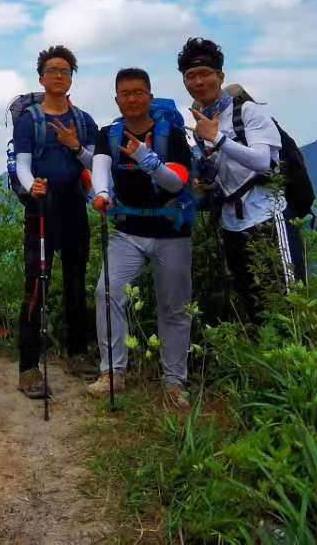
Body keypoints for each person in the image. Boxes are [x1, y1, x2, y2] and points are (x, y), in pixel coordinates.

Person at [87, 68, 195, 406]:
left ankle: (174, 381)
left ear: (149, 96)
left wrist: (145, 158)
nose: (132, 99)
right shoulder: (110, 134)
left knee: (174, 306)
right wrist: (101, 194)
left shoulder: (172, 135)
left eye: (138, 92)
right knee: (108, 294)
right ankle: (112, 373)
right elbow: (100, 170)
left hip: (172, 231)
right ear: (116, 99)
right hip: (127, 232)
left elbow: (176, 183)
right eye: (125, 93)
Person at [179, 37, 305, 324]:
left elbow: (263, 161)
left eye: (205, 74)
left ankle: (295, 366)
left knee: (290, 304)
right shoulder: (201, 125)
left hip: (269, 218)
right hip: (232, 225)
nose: (199, 82)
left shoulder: (248, 112)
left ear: (220, 77)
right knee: (252, 305)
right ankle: (265, 364)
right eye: (191, 77)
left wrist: (218, 138)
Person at [11, 45, 99, 399]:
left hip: (75, 207)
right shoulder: (29, 119)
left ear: (71, 76)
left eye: (65, 70)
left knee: (77, 282)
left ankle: (77, 352)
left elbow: (95, 163)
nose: (59, 75)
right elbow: (22, 161)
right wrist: (31, 183)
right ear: (41, 77)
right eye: (52, 70)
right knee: (37, 286)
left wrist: (75, 145)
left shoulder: (84, 121)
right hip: (41, 209)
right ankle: (29, 367)